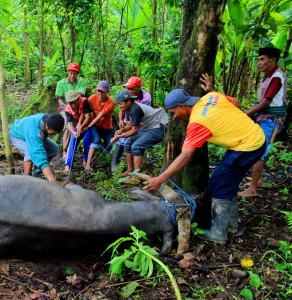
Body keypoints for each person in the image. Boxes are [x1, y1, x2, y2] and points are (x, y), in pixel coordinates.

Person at [144, 74, 266, 244]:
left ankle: (218, 234)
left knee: (218, 185)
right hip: (254, 137)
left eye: (173, 112)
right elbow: (237, 103)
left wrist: (160, 179)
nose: (175, 116)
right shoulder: (211, 96)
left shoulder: (197, 123)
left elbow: (185, 156)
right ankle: (230, 225)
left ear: (181, 106)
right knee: (227, 181)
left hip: (247, 146)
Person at [238, 47, 288, 198]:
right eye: (258, 59)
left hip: (272, 120)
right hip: (266, 118)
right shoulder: (269, 75)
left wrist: (247, 113)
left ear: (273, 60)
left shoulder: (277, 77)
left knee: (259, 151)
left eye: (262, 59)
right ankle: (259, 180)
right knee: (259, 147)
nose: (259, 63)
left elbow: (267, 101)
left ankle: (252, 189)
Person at [111, 90, 168, 183]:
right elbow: (130, 125)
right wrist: (121, 130)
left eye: (121, 104)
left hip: (157, 128)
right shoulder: (127, 109)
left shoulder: (135, 109)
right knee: (128, 142)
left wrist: (119, 136)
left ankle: (136, 177)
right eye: (118, 104)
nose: (120, 106)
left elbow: (134, 131)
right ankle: (130, 170)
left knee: (136, 146)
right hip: (148, 128)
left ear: (128, 101)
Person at [10, 113, 64, 185]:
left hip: (30, 133)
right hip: (17, 136)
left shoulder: (48, 119)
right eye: (53, 133)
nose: (54, 135)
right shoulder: (34, 131)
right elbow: (38, 155)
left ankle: (37, 174)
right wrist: (51, 179)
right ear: (47, 126)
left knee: (53, 147)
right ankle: (26, 181)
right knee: (30, 153)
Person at [113, 77, 153, 172]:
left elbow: (140, 118)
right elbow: (122, 109)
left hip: (141, 124)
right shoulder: (126, 97)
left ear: (139, 87)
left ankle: (135, 169)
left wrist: (124, 131)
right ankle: (118, 166)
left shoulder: (145, 97)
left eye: (132, 89)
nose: (130, 91)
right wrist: (121, 120)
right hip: (130, 121)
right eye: (128, 88)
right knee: (122, 140)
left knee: (134, 142)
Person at [55, 62, 88, 160]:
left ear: (77, 73)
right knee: (67, 125)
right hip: (65, 107)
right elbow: (59, 99)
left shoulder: (82, 82)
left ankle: (81, 149)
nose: (72, 76)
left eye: (74, 73)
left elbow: (79, 97)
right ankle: (65, 152)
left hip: (78, 106)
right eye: (70, 73)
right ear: (68, 73)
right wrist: (66, 106)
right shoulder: (61, 83)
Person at [84, 81, 115, 173]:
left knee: (108, 146)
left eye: (103, 91)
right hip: (95, 125)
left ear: (107, 91)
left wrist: (87, 127)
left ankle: (95, 159)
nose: (100, 93)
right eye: (99, 91)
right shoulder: (92, 98)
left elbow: (99, 116)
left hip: (107, 127)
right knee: (96, 139)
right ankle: (87, 165)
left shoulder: (110, 103)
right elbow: (86, 111)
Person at [64, 90, 92, 172]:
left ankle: (86, 161)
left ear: (78, 99)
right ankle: (68, 164)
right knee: (73, 140)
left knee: (88, 139)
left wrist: (82, 126)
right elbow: (69, 123)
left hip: (87, 125)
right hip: (76, 126)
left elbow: (88, 117)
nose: (73, 105)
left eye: (75, 102)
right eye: (71, 103)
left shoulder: (84, 101)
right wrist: (73, 132)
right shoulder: (68, 109)